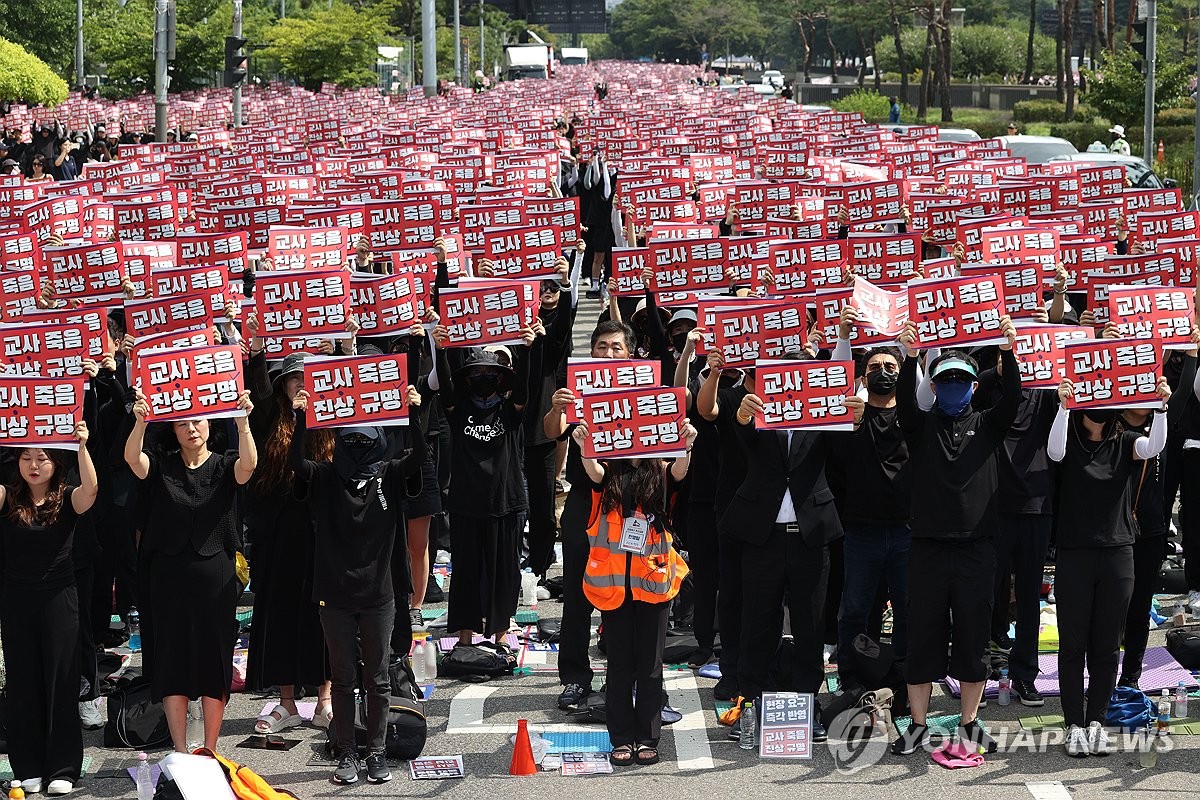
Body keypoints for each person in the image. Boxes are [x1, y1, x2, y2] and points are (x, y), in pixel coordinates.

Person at [891, 316, 1021, 757]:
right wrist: (910, 360)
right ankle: (918, 723)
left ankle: (970, 721)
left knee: (972, 638)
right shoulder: (921, 426)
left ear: (972, 386)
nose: (951, 386)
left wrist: (1007, 350)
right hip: (927, 547)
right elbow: (907, 406)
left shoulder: (988, 424)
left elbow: (1014, 397)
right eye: (943, 379)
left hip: (977, 549)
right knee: (922, 637)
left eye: (959, 380)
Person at [723, 350, 865, 744]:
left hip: (811, 533)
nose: (790, 383)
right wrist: (742, 417)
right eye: (781, 376)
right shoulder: (754, 410)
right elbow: (741, 443)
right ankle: (751, 704)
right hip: (762, 535)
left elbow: (845, 457)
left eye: (799, 375)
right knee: (757, 621)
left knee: (810, 624)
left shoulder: (823, 411)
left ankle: (808, 705)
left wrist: (853, 422)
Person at [289, 384, 423, 785]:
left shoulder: (390, 474)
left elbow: (419, 458)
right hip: (334, 595)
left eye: (368, 439)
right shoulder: (326, 477)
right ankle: (347, 751)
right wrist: (301, 417)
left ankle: (377, 751)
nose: (360, 446)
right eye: (353, 441)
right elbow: (297, 463)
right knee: (343, 678)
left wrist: (414, 414)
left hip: (379, 595)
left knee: (378, 678)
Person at [124, 388, 257, 753]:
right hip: (167, 576)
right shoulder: (161, 463)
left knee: (214, 659)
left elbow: (248, 468)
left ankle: (211, 748)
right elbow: (133, 460)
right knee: (171, 661)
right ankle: (181, 749)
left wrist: (243, 425)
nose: (191, 429)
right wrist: (140, 421)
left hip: (216, 574)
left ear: (209, 422)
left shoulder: (225, 462)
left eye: (197, 421)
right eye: (182, 423)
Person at [1048, 376, 1170, 757]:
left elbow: (1154, 446)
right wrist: (1063, 408)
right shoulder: (1068, 439)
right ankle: (1073, 724)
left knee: (1106, 644)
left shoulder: (1124, 442)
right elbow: (1053, 453)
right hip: (1074, 553)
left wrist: (1162, 407)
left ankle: (1097, 720)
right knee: (1073, 644)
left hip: (1118, 552)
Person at [575, 420, 695, 766]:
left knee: (651, 665)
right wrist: (585, 444)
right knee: (619, 665)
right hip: (614, 587)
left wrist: (687, 444)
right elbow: (593, 470)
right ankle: (622, 739)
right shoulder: (607, 478)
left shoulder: (660, 476)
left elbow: (680, 471)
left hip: (653, 585)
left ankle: (647, 737)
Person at [0, 425, 98, 796]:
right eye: (26, 457)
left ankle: (63, 767)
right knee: (23, 684)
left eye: (42, 458)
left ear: (56, 462)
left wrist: (82, 445)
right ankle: (26, 767)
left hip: (60, 598)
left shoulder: (68, 497)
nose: (34, 465)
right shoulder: (7, 497)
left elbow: (92, 490)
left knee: (61, 682)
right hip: (17, 599)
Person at [243, 345, 334, 734]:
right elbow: (259, 393)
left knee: (324, 614)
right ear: (283, 386)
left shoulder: (330, 417)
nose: (302, 384)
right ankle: (286, 702)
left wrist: (347, 348)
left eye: (308, 377)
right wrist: (259, 351)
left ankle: (325, 699)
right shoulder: (270, 417)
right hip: (278, 534)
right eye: (295, 378)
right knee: (280, 614)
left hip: (321, 531)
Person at [546, 321, 636, 710]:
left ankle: (623, 675)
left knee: (628, 595)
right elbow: (554, 431)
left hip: (630, 502)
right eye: (601, 346)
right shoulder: (578, 390)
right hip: (584, 502)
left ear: (629, 353)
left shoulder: (643, 390)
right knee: (579, 599)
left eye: (616, 347)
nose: (609, 354)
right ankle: (575, 678)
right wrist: (556, 406)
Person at [427, 338, 535, 649]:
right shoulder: (458, 408)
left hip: (504, 502)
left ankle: (500, 635)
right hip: (466, 504)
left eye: (491, 373)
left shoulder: (509, 410)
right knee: (465, 574)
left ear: (501, 378)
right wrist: (442, 349)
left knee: (503, 573)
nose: (484, 379)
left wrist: (526, 351)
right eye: (477, 373)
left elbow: (525, 391)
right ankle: (464, 636)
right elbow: (446, 389)